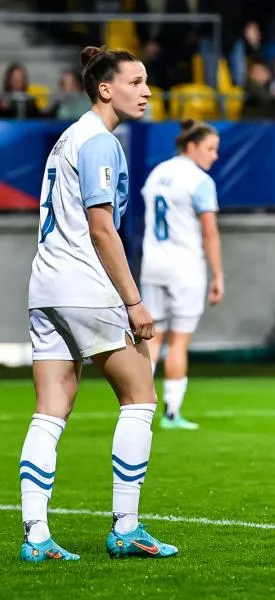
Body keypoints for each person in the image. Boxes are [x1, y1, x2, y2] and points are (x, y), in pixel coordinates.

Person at [20, 45, 176, 562]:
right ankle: (127, 527)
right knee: (140, 397)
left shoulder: (69, 137)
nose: (146, 90)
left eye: (146, 81)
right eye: (136, 81)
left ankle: (36, 535)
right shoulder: (100, 143)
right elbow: (101, 228)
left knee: (49, 412)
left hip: (45, 287)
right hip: (85, 286)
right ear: (105, 89)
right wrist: (134, 302)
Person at [140, 119, 224, 430]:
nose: (215, 156)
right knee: (178, 342)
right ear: (191, 147)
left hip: (153, 265)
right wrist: (218, 276)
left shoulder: (158, 173)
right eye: (210, 149)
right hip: (185, 268)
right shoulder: (199, 180)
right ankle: (171, 413)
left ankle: (137, 410)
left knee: (151, 340)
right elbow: (210, 233)